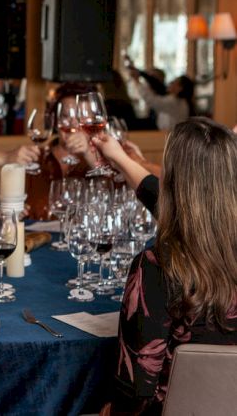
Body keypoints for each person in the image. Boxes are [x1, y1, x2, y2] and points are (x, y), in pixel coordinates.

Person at [94, 119, 237, 415]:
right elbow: (188, 205)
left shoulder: (157, 267)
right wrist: (119, 157)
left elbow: (137, 388)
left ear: (172, 181)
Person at [25, 82, 98, 219]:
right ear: (55, 121)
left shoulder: (104, 159)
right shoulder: (35, 159)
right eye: (65, 116)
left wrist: (88, 153)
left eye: (81, 118)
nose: (73, 124)